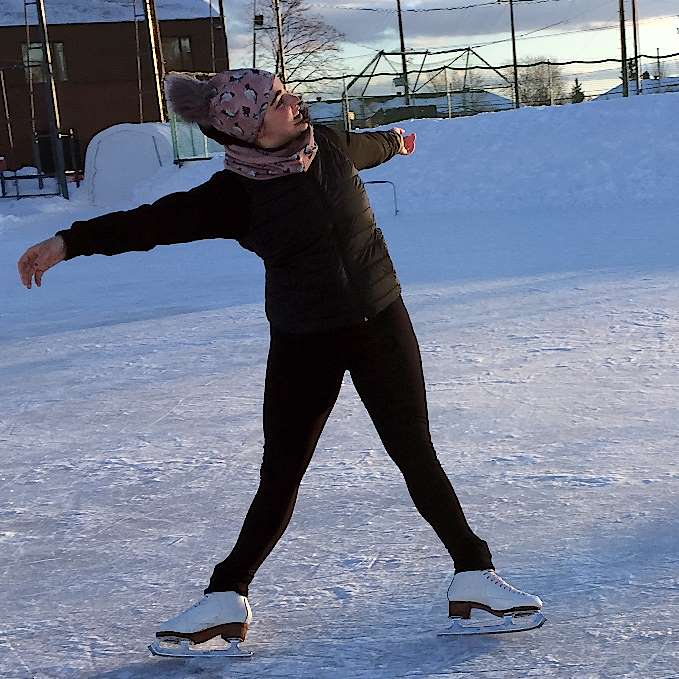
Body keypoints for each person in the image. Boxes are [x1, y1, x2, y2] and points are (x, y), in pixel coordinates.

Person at [17, 68, 543, 649]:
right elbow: (153, 223)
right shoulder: (233, 197)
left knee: (414, 452)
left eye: (285, 93)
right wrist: (68, 241)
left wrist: (397, 141)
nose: (292, 102)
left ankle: (473, 573)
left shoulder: (331, 145)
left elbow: (374, 144)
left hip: (380, 323)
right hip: (303, 339)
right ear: (247, 132)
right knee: (282, 472)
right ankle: (226, 594)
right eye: (274, 102)